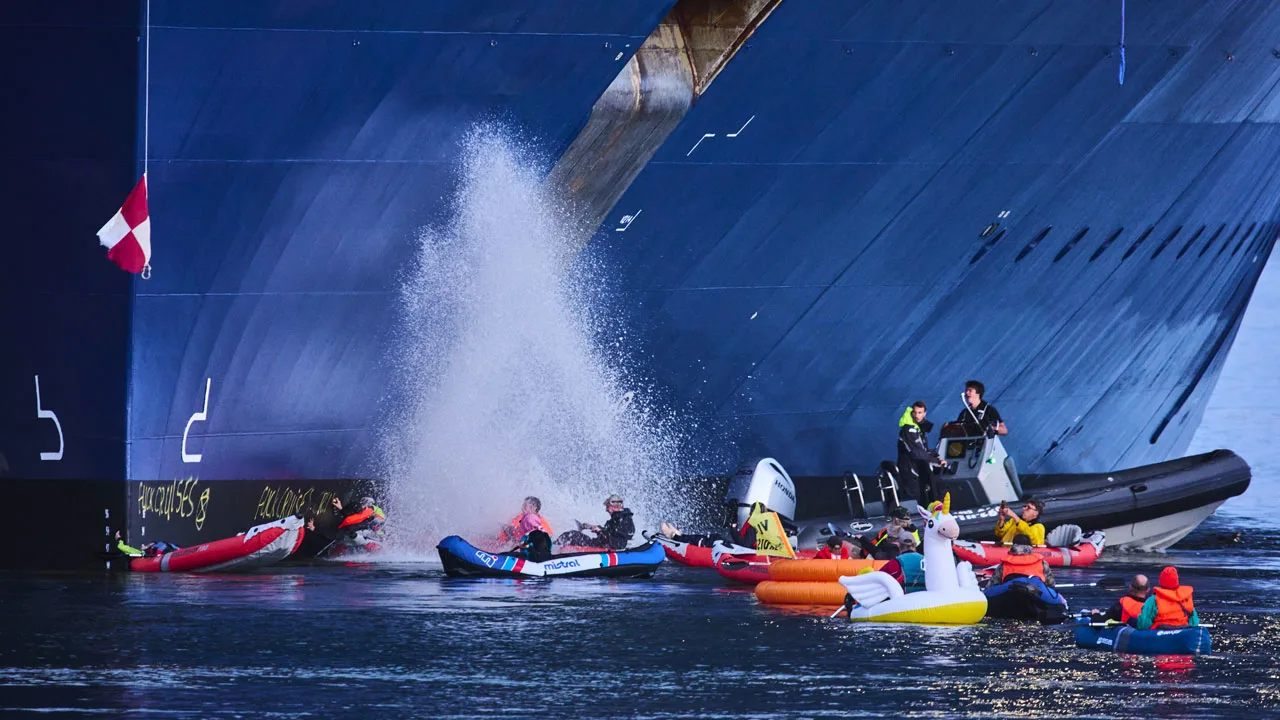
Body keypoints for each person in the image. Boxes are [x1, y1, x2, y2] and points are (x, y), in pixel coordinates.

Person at [897, 401, 947, 504]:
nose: (917, 415)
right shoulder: (909, 430)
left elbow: (924, 450)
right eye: (915, 412)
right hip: (911, 470)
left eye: (920, 413)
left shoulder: (918, 429)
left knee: (935, 488)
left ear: (925, 413)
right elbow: (918, 453)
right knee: (916, 500)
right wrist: (937, 462)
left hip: (919, 469)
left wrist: (936, 456)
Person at [556, 494, 636, 549]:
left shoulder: (625, 521)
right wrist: (591, 526)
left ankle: (550, 550)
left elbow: (618, 543)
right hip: (598, 544)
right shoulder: (617, 519)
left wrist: (601, 531)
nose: (606, 510)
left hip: (600, 548)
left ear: (615, 506)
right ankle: (553, 546)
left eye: (608, 507)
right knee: (572, 534)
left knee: (572, 536)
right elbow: (611, 533)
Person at [1135, 566, 1199, 630]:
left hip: (1161, 633)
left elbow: (1143, 624)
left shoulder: (1153, 600)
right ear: (1176, 581)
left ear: (1161, 581)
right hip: (1183, 630)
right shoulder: (1186, 598)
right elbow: (1194, 622)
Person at [988, 533, 1055, 587]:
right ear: (1030, 545)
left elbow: (992, 585)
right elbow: (1051, 584)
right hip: (1035, 597)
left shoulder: (1004, 564)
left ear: (1013, 545)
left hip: (1010, 596)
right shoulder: (1042, 563)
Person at [854, 506, 920, 558]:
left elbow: (875, 549)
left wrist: (862, 540)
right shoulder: (914, 531)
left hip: (875, 558)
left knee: (846, 545)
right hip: (882, 556)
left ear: (895, 519)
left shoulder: (890, 533)